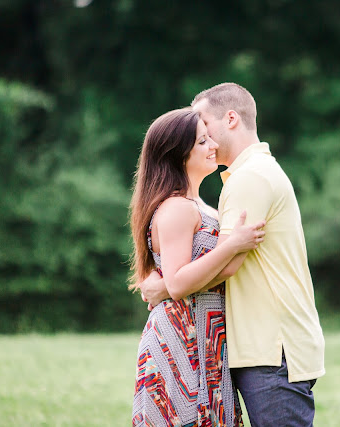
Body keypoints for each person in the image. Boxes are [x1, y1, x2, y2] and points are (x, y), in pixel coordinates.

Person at [142, 83, 326, 426]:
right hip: (253, 344)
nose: (205, 139)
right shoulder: (247, 176)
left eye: (204, 125)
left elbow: (228, 263)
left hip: (270, 345)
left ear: (230, 119)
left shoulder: (248, 178)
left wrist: (166, 286)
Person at [129, 108, 266, 427]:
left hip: (209, 335)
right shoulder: (176, 207)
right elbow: (177, 284)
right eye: (203, 141)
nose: (213, 146)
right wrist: (233, 244)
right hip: (182, 336)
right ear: (178, 154)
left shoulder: (201, 206)